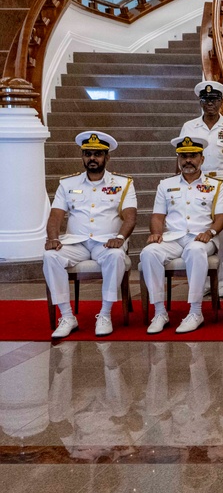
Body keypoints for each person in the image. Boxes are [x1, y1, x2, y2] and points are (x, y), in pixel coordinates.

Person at [44, 131, 137, 339]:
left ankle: (105, 314)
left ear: (107, 157)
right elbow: (56, 215)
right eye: (87, 154)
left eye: (97, 154)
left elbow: (130, 217)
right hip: (76, 243)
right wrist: (53, 239)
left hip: (106, 243)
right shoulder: (67, 184)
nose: (92, 158)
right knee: (50, 256)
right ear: (82, 156)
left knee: (116, 256)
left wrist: (120, 239)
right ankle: (67, 316)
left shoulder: (123, 184)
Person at [139, 134, 223, 335]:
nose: (188, 160)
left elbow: (221, 217)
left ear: (202, 159)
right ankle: (159, 312)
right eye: (183, 156)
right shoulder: (165, 185)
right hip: (173, 237)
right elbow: (157, 216)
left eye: (192, 156)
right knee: (149, 252)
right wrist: (156, 233)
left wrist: (210, 232)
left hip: (202, 238)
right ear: (178, 159)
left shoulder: (216, 185)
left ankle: (195, 311)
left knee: (195, 250)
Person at [179, 81, 223, 197]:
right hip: (197, 180)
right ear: (200, 102)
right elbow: (180, 157)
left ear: (221, 102)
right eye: (206, 100)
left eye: (214, 100)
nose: (210, 103)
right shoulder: (189, 127)